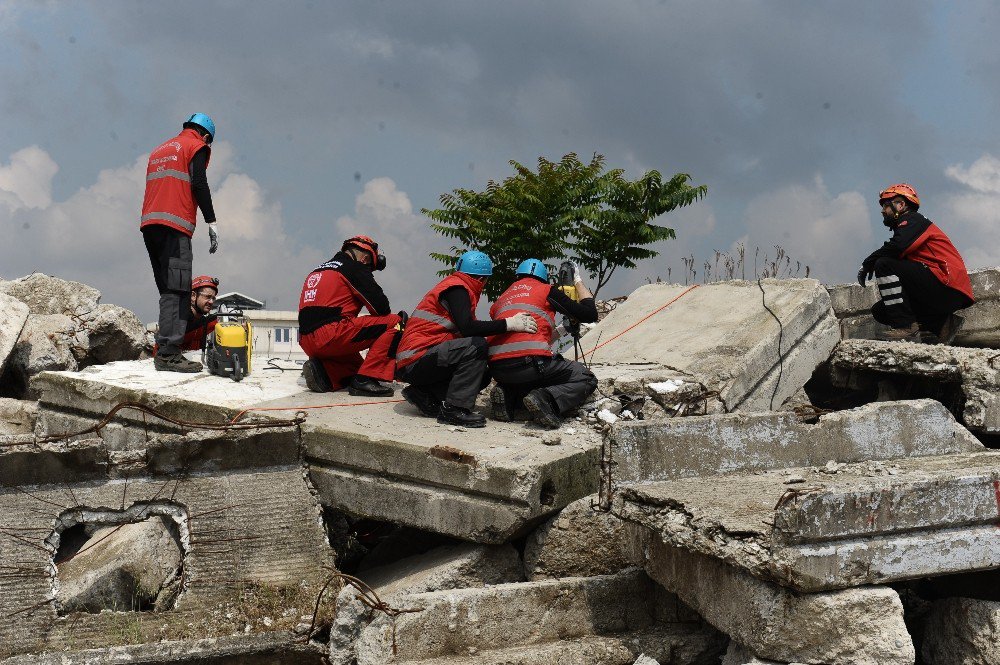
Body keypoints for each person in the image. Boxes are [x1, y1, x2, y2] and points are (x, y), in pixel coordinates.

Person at [395, 251, 538, 428]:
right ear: (482, 279)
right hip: (416, 360)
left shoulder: (455, 287)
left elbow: (469, 329)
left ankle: (426, 395)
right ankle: (455, 410)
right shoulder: (457, 289)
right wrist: (509, 324)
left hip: (417, 361)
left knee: (482, 373)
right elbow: (469, 328)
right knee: (476, 346)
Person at [141, 113, 220, 373]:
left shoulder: (159, 149)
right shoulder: (196, 145)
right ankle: (169, 353)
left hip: (150, 224)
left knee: (167, 289)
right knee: (179, 290)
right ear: (206, 136)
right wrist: (211, 220)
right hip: (175, 225)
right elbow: (199, 181)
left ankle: (164, 347)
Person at [488, 259, 599, 429]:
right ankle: (545, 398)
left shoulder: (502, 298)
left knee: (527, 380)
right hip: (530, 365)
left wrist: (563, 329)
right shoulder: (546, 290)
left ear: (518, 276)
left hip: (498, 370)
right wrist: (578, 282)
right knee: (586, 378)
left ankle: (508, 393)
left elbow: (522, 338)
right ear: (544, 278)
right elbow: (590, 314)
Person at [858, 183, 974, 343]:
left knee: (883, 264)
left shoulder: (913, 220)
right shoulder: (908, 227)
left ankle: (906, 329)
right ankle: (943, 325)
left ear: (901, 204)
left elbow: (897, 246)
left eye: (886, 205)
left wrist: (868, 263)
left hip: (947, 286)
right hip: (943, 292)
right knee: (881, 311)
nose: (882, 210)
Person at [298, 235, 401, 396]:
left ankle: (325, 372)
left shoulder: (318, 270)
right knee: (397, 322)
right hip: (331, 334)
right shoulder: (354, 267)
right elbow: (381, 309)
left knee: (356, 369)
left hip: (306, 340)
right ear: (366, 259)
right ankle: (366, 380)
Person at [152, 275, 219, 354]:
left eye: (213, 298)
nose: (211, 302)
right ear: (193, 296)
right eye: (207, 297)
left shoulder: (202, 322)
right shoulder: (179, 319)